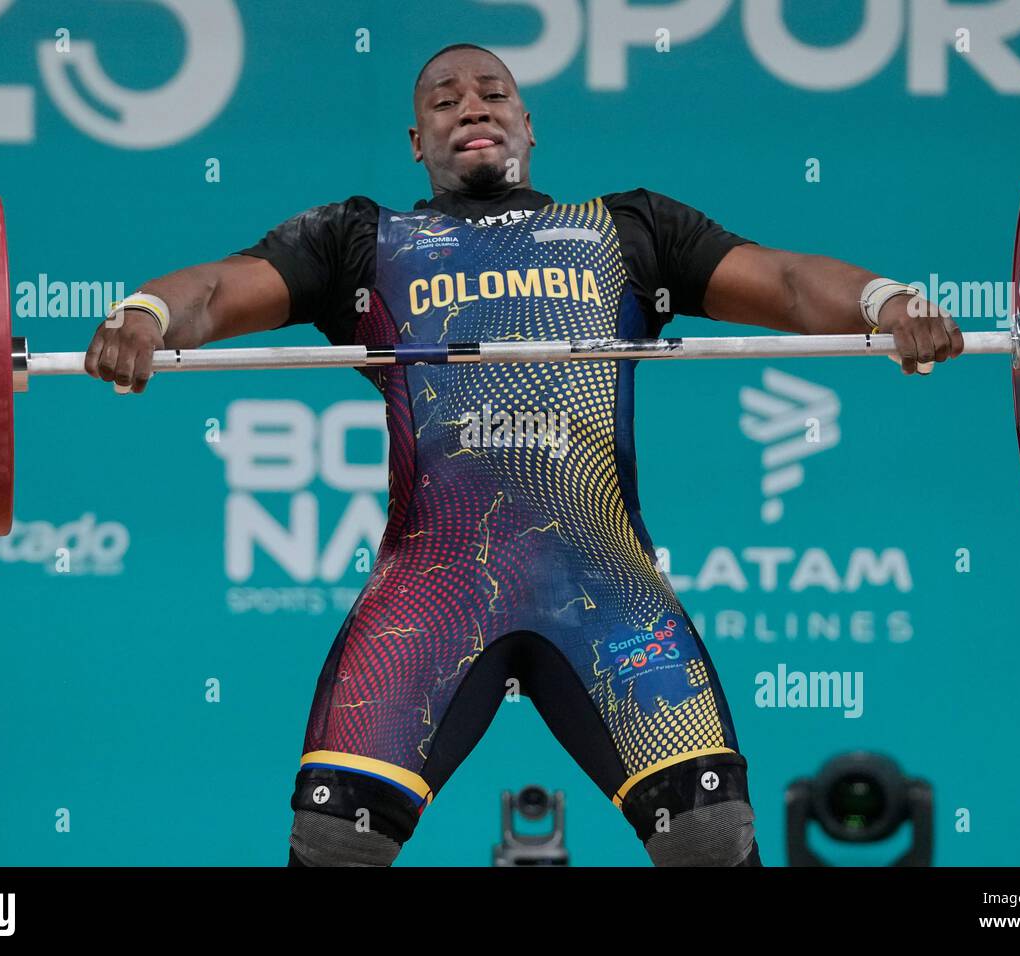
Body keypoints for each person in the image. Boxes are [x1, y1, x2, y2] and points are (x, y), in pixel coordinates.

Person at [84, 43, 962, 866]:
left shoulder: (631, 231)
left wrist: (888, 302)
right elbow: (209, 291)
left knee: (709, 837)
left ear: (529, 125)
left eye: (495, 93)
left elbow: (788, 282)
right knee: (334, 845)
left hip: (601, 585)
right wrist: (145, 319)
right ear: (416, 141)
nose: (473, 106)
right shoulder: (358, 241)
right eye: (445, 99)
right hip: (435, 588)